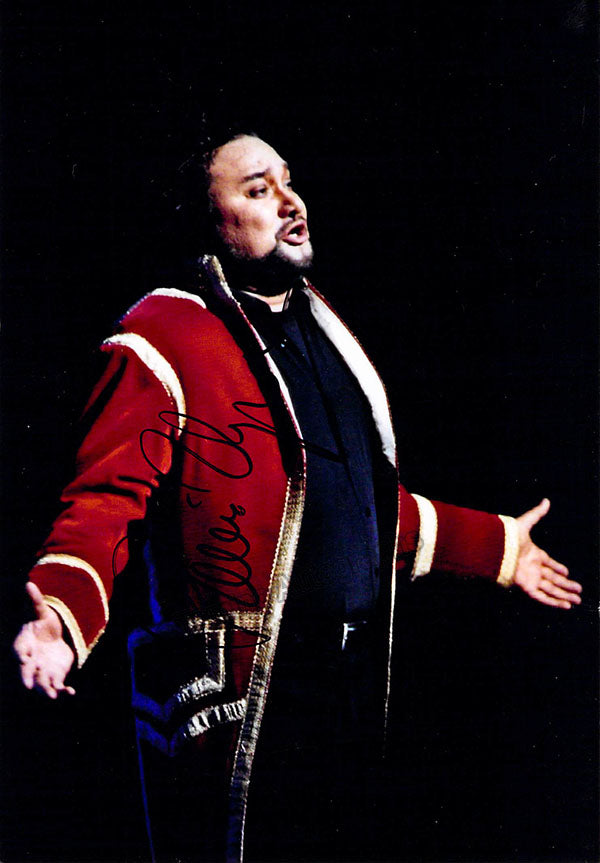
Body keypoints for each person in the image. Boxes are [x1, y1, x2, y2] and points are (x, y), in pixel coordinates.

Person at [13, 131, 582, 862]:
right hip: (236, 699)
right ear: (208, 218)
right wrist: (60, 615)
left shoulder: (323, 330)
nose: (289, 202)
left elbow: (359, 508)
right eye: (258, 190)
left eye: (288, 181)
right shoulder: (164, 335)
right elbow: (106, 499)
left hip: (346, 687)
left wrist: (499, 547)